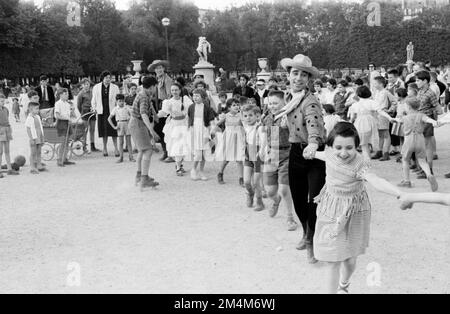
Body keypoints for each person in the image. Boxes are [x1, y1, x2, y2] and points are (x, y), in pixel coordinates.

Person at [311, 122, 403, 294]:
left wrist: (398, 193)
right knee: (332, 260)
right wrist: (311, 153)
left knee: (350, 260)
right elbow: (324, 155)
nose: (343, 153)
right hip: (330, 209)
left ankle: (344, 285)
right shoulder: (331, 153)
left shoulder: (360, 164)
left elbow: (375, 180)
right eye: (338, 147)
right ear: (331, 145)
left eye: (349, 147)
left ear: (357, 146)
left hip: (354, 212)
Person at [276, 54, 326, 264]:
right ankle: (306, 232)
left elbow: (313, 121)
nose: (298, 78)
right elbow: (288, 120)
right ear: (288, 75)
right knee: (298, 200)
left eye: (303, 75)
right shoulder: (289, 99)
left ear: (308, 80)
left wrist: (314, 142)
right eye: (295, 73)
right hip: (296, 152)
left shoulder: (310, 101)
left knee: (313, 201)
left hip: (314, 154)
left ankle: (311, 242)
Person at [261, 90, 297, 231]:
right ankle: (276, 201)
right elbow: (265, 135)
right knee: (270, 191)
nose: (272, 106)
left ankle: (290, 217)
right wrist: (263, 150)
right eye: (270, 103)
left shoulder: (288, 117)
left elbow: (294, 131)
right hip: (272, 154)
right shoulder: (267, 118)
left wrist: (287, 121)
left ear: (284, 102)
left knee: (284, 189)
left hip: (287, 154)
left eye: (275, 103)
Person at [396, 97, 442, 190]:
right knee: (422, 160)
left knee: (405, 160)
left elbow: (397, 120)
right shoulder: (421, 115)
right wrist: (434, 122)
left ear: (408, 107)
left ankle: (406, 181)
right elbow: (429, 120)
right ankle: (429, 175)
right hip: (420, 139)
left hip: (408, 140)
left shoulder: (404, 117)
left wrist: (393, 118)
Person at [128, 76, 160, 190]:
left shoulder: (143, 93)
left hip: (135, 123)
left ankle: (139, 175)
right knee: (148, 150)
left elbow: (149, 106)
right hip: (138, 123)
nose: (155, 89)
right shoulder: (144, 97)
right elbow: (143, 113)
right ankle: (144, 178)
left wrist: (155, 115)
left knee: (142, 150)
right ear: (151, 86)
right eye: (155, 86)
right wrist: (152, 131)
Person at [157, 82, 193, 175]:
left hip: (184, 124)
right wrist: (155, 115)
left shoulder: (185, 100)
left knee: (184, 145)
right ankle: (178, 166)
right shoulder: (168, 102)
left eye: (176, 90)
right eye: (172, 90)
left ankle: (179, 164)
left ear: (180, 90)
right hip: (174, 126)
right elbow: (164, 112)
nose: (174, 92)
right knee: (177, 145)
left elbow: (191, 110)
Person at [351, 86, 392, 160]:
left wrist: (350, 124)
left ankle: (366, 161)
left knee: (364, 145)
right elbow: (380, 111)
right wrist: (389, 118)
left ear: (358, 94)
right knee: (368, 142)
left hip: (360, 124)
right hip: (371, 123)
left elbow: (352, 118)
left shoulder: (355, 105)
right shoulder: (372, 103)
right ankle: (368, 159)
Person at [214, 97, 245, 185]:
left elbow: (245, 125)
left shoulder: (241, 115)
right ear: (229, 107)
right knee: (227, 159)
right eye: (234, 105)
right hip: (228, 139)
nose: (236, 107)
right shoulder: (226, 116)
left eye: (238, 105)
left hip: (238, 138)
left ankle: (241, 179)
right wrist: (218, 132)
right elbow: (217, 124)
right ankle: (220, 173)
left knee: (239, 159)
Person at [187, 88, 216, 181]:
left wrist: (212, 129)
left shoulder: (207, 108)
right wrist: (189, 128)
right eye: (194, 95)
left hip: (204, 130)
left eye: (197, 96)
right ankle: (194, 169)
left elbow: (211, 120)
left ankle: (201, 171)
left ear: (203, 97)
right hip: (194, 130)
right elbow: (189, 118)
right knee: (198, 153)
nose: (195, 97)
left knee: (203, 153)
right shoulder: (191, 107)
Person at [147, 60, 173, 162]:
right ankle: (165, 152)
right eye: (157, 68)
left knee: (167, 131)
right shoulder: (156, 80)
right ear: (154, 70)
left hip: (164, 107)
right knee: (160, 130)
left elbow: (169, 95)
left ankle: (170, 153)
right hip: (157, 106)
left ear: (164, 69)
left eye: (161, 67)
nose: (159, 70)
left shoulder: (167, 80)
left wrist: (166, 109)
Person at [415, 70, 439, 179]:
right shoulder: (420, 91)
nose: (416, 82)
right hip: (419, 120)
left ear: (425, 81)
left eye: (418, 80)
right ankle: (424, 169)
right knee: (422, 146)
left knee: (427, 146)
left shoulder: (430, 93)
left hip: (427, 121)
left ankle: (429, 170)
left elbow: (438, 108)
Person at [91, 70, 120, 157]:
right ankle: (104, 148)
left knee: (114, 130)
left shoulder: (115, 87)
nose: (108, 79)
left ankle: (116, 148)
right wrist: (94, 108)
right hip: (102, 112)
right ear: (102, 78)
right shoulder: (96, 87)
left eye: (109, 78)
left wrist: (118, 109)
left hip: (112, 111)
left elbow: (118, 99)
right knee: (104, 131)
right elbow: (94, 100)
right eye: (106, 78)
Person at [242, 104, 265, 211]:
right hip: (248, 156)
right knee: (246, 181)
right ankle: (250, 193)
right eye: (245, 116)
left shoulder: (260, 128)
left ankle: (259, 201)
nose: (248, 118)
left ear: (257, 116)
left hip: (258, 157)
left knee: (256, 182)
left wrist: (260, 152)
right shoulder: (245, 127)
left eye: (250, 115)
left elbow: (264, 142)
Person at [372, 76, 394, 161]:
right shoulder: (376, 92)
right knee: (380, 134)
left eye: (375, 83)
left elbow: (394, 101)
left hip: (383, 114)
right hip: (376, 115)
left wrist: (390, 110)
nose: (374, 85)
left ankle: (386, 153)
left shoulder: (386, 92)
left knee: (385, 134)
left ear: (381, 84)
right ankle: (380, 151)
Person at [54, 88, 78, 167]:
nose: (67, 95)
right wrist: (67, 118)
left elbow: (70, 115)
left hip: (67, 123)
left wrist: (72, 112)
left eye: (67, 94)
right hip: (61, 123)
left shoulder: (68, 104)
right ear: (60, 95)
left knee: (67, 141)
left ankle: (65, 158)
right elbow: (57, 115)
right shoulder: (58, 103)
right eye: (65, 94)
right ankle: (59, 159)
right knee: (63, 142)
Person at [108, 94, 134, 163]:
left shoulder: (127, 108)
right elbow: (109, 119)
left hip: (127, 124)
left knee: (129, 142)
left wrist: (130, 122)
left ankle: (131, 157)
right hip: (119, 124)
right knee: (121, 142)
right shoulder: (115, 109)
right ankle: (121, 157)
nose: (121, 102)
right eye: (119, 101)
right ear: (116, 101)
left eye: (122, 101)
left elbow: (132, 115)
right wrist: (114, 127)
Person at [77, 78, 98, 153]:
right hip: (85, 112)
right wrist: (82, 112)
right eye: (85, 84)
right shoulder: (81, 94)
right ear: (82, 85)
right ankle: (84, 147)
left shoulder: (92, 92)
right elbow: (78, 105)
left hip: (92, 112)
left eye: (88, 84)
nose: (86, 85)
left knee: (92, 129)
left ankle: (93, 146)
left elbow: (95, 101)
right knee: (85, 130)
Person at [0, 94, 19, 178]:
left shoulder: (5, 109)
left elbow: (6, 118)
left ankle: (9, 169)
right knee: (0, 152)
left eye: (3, 101)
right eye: (1, 101)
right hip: (0, 130)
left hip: (7, 129)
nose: (2, 102)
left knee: (7, 151)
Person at [25, 102, 46, 174]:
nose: (38, 110)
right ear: (31, 109)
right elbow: (28, 129)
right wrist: (31, 138)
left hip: (39, 136)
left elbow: (40, 127)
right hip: (34, 137)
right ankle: (32, 167)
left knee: (39, 151)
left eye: (38, 108)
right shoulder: (29, 118)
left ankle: (39, 165)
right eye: (36, 109)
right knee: (33, 152)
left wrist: (42, 136)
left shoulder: (38, 117)